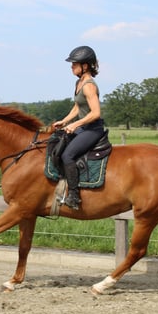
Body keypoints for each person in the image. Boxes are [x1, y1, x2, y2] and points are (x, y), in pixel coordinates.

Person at [52, 45, 104, 209]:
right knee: (57, 143)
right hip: (83, 128)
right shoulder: (79, 82)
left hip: (92, 129)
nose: (71, 66)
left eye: (74, 64)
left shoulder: (89, 85)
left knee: (68, 155)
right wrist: (64, 121)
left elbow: (95, 113)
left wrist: (76, 124)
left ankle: (74, 197)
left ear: (85, 66)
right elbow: (77, 107)